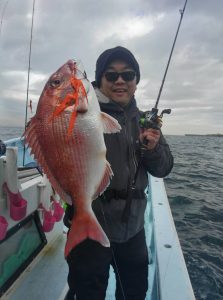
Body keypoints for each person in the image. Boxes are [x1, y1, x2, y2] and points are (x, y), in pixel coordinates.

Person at [64, 46, 173, 300]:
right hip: (90, 224)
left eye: (128, 75)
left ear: (136, 81)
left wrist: (153, 148)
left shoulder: (146, 121)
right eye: (111, 75)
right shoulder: (80, 112)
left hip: (133, 229)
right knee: (87, 293)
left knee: (134, 292)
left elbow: (163, 168)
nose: (120, 80)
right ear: (99, 80)